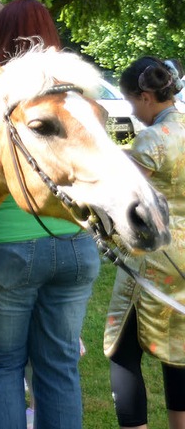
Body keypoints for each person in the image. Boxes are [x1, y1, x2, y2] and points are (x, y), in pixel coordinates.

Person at [0, 0, 101, 429]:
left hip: (4, 246)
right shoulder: (72, 92)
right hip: (76, 244)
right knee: (59, 368)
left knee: (3, 367)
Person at [105, 56, 185, 429]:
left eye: (133, 103)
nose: (133, 113)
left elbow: (125, 201)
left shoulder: (153, 138)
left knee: (122, 352)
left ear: (147, 96)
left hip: (154, 259)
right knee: (179, 352)